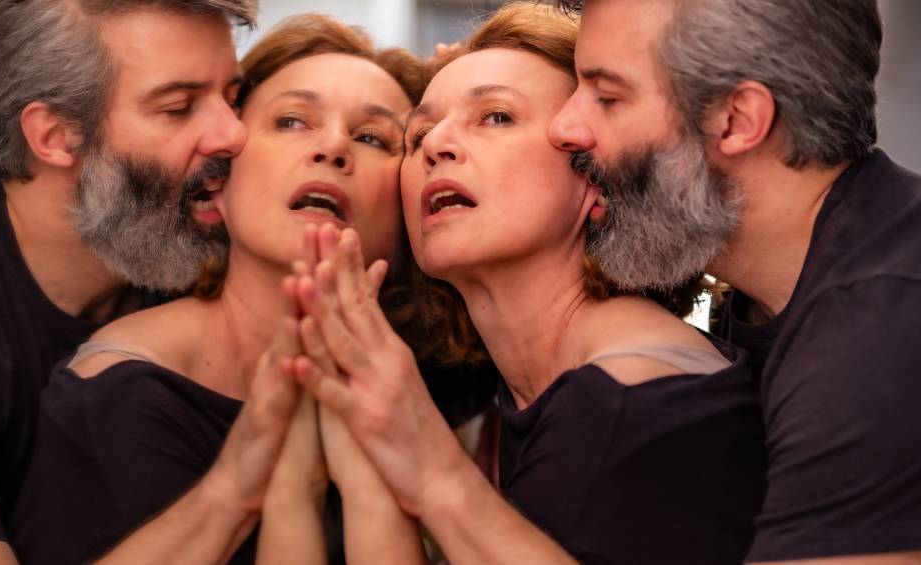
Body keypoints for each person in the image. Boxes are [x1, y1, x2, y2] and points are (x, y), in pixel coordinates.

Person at [287, 4, 766, 564]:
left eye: (496, 117)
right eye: (417, 134)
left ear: (598, 176)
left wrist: (431, 469)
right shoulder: (541, 387)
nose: (437, 143)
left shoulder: (634, 405)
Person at [7, 14, 454, 564]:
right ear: (219, 181)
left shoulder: (433, 370)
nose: (334, 146)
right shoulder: (123, 396)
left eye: (371, 138)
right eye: (292, 121)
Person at [0, 1, 258, 563]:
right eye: (178, 108)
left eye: (233, 97)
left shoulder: (186, 242)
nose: (233, 133)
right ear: (56, 135)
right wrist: (236, 489)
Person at [548, 0, 921, 562]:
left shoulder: (878, 330)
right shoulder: (763, 295)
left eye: (607, 96)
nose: (563, 127)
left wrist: (441, 483)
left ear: (737, 120)